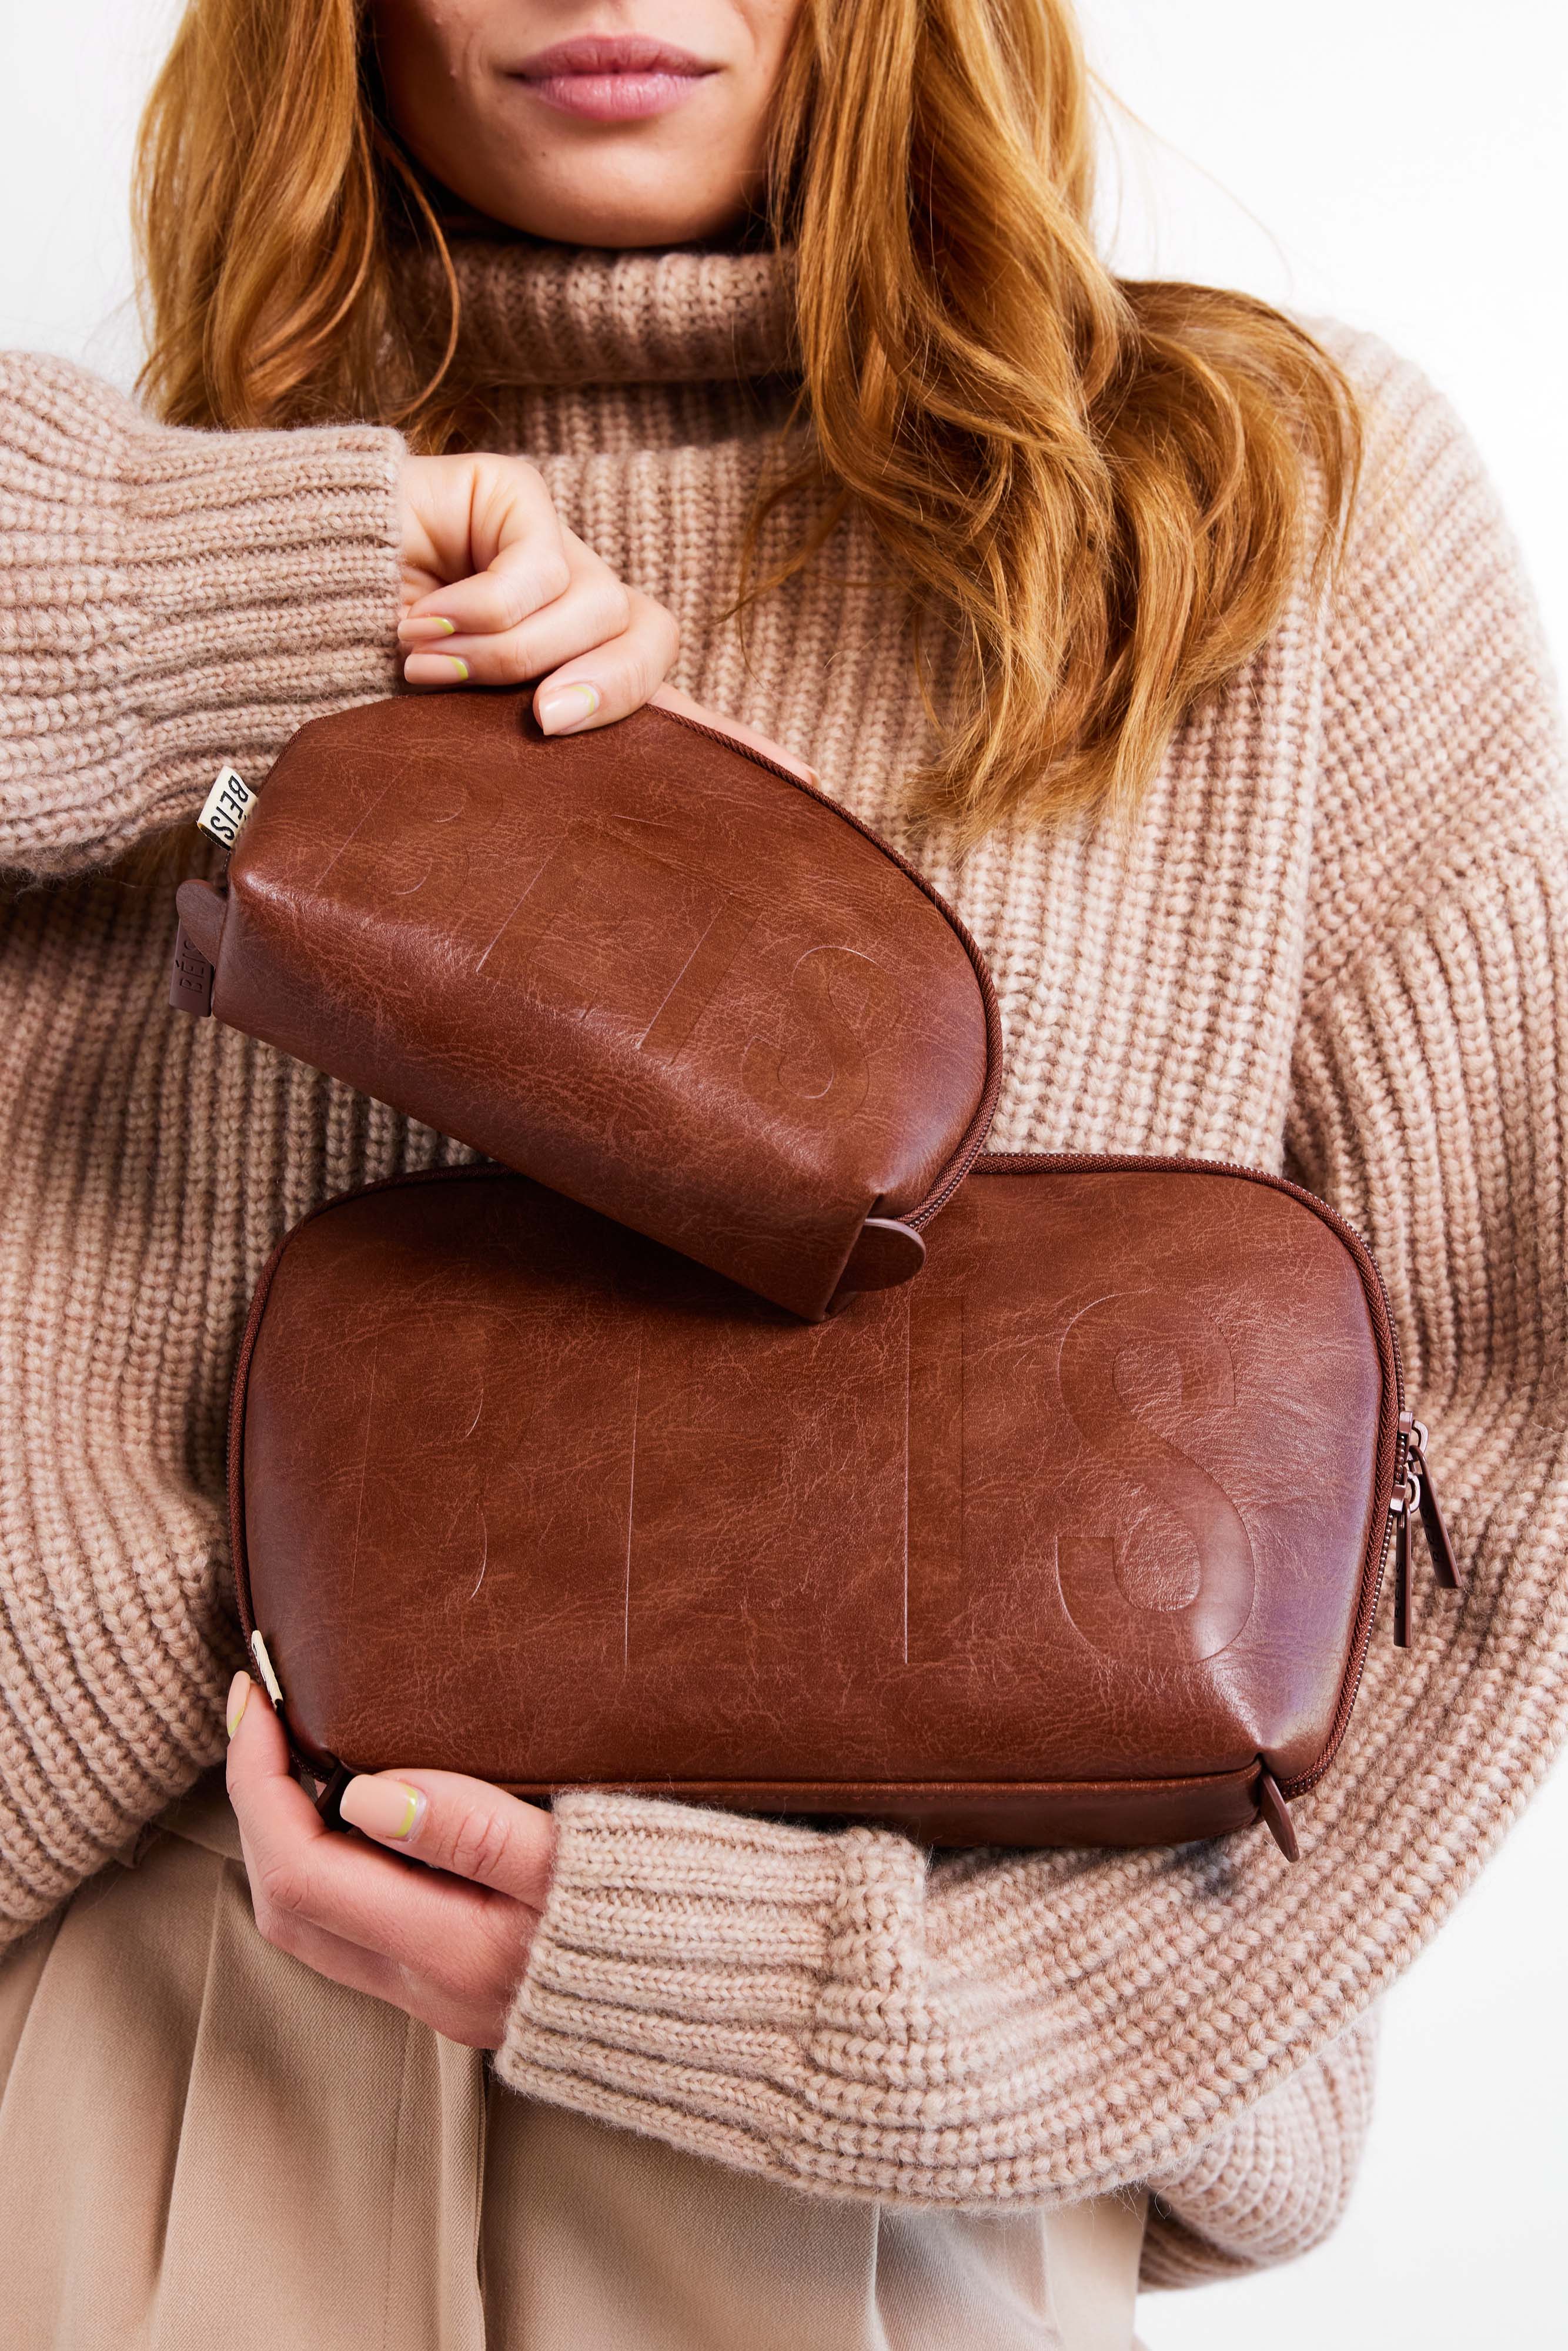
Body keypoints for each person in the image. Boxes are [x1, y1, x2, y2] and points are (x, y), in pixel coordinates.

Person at [1, 2, 1563, 2343]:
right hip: (134, 2100)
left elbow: (1491, 1443)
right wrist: (249, 574)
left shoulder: (1260, 510)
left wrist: (884, 2013)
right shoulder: (135, 540)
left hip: (869, 2192)